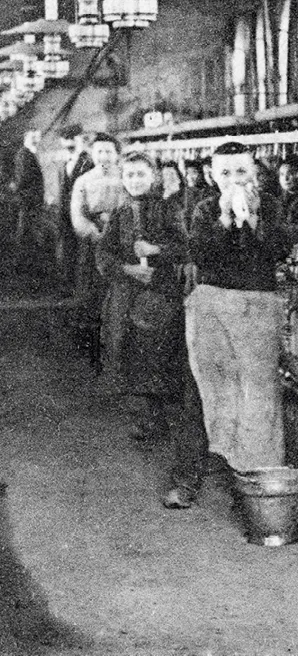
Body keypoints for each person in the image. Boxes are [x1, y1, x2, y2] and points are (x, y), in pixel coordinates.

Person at [186, 141, 290, 477]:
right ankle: (229, 461)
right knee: (218, 387)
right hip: (213, 306)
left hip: (258, 306)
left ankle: (259, 472)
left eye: (242, 171)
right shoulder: (203, 209)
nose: (234, 179)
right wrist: (226, 219)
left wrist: (255, 219)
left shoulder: (272, 205)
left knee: (259, 392)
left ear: (255, 173)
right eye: (225, 173)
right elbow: (201, 256)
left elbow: (278, 250)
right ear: (213, 176)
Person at [95, 152, 186, 444]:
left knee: (157, 354)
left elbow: (186, 247)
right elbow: (103, 255)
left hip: (161, 295)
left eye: (141, 174)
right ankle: (146, 418)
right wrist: (127, 269)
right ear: (123, 179)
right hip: (127, 296)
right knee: (131, 354)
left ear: (153, 177)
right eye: (130, 175)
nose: (135, 180)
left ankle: (161, 417)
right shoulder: (120, 214)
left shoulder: (168, 210)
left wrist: (156, 250)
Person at [69, 133, 127, 372]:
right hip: (93, 243)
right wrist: (94, 232)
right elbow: (77, 214)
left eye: (108, 152)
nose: (104, 157)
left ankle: (119, 351)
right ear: (93, 154)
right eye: (99, 152)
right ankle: (93, 352)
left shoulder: (126, 177)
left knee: (119, 294)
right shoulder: (83, 181)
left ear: (117, 154)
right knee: (93, 295)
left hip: (122, 242)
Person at [58, 125, 92, 289]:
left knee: (83, 250)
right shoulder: (66, 161)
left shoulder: (88, 161)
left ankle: (81, 287)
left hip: (81, 212)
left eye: (74, 138)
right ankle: (67, 285)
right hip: (66, 212)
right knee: (68, 249)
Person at [10, 130, 45, 269]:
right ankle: (23, 266)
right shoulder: (24, 155)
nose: (36, 139)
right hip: (28, 201)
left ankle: (27, 264)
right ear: (25, 137)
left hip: (31, 200)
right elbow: (23, 179)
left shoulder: (29, 153)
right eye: (33, 136)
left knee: (28, 232)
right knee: (26, 232)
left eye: (38, 137)